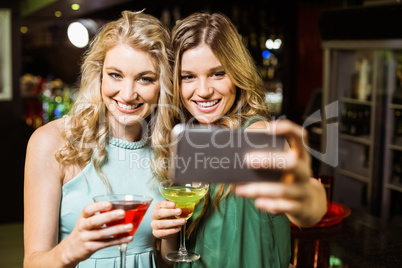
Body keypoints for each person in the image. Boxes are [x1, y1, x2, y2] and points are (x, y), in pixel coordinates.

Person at [150, 12, 327, 268]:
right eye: (188, 76)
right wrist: (167, 233)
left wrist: (306, 198)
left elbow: (311, 208)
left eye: (218, 73)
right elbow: (171, 262)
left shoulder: (256, 134)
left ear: (237, 73)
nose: (203, 90)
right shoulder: (182, 142)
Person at [24, 10, 173, 267]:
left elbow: (162, 260)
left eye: (145, 79)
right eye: (115, 75)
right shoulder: (50, 142)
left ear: (162, 85)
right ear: (99, 74)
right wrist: (70, 249)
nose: (127, 94)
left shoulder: (167, 150)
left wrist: (170, 238)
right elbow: (32, 262)